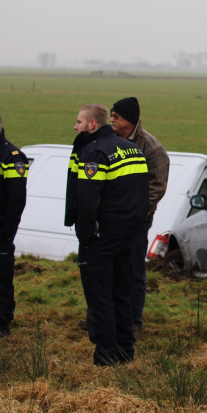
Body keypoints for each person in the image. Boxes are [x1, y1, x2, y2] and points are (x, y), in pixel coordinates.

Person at [65, 104, 149, 366]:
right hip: (128, 236)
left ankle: (105, 354)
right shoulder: (133, 150)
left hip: (102, 238)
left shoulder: (94, 151)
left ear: (92, 125)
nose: (75, 127)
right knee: (122, 294)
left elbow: (88, 198)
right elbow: (142, 196)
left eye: (79, 122)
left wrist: (85, 235)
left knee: (99, 297)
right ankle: (125, 351)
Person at [109, 97, 169, 337]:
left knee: (133, 270)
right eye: (111, 115)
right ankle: (105, 317)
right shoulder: (108, 140)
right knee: (108, 268)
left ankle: (133, 321)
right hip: (111, 218)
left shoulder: (151, 148)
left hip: (136, 220)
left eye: (117, 116)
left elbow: (157, 187)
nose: (112, 120)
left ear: (130, 120)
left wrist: (137, 213)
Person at [0, 110, 29, 339]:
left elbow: (16, 200)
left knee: (1, 278)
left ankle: (3, 323)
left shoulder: (12, 156)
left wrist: (6, 233)